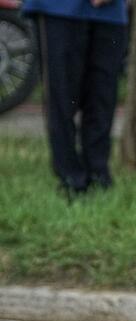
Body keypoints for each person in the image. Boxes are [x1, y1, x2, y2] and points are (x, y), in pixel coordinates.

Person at [22, 0, 128, 197]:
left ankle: (98, 175)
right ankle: (72, 180)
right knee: (61, 97)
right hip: (58, 8)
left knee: (102, 97)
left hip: (110, 12)